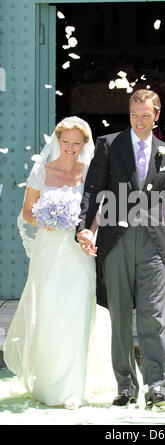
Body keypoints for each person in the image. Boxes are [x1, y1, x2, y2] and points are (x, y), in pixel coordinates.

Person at [76, 89, 165, 408]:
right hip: (114, 243)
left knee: (153, 316)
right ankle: (125, 385)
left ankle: (157, 386)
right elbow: (93, 189)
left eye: (146, 115)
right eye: (134, 115)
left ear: (156, 116)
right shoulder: (108, 145)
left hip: (153, 244)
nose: (139, 121)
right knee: (120, 318)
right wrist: (85, 228)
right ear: (129, 114)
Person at [4, 117, 115, 409]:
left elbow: (97, 212)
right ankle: (49, 385)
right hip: (49, 250)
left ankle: (72, 389)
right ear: (57, 141)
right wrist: (48, 219)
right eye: (66, 142)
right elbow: (27, 212)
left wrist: (91, 233)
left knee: (78, 314)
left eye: (76, 143)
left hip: (79, 252)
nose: (70, 148)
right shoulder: (41, 172)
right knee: (51, 313)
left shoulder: (89, 172)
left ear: (84, 145)